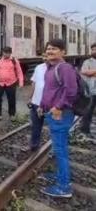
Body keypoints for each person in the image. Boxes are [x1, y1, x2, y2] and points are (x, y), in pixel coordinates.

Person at [40, 39, 77, 198]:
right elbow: (49, 90)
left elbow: (71, 91)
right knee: (57, 148)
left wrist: (58, 107)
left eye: (54, 49)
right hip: (53, 112)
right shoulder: (51, 68)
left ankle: (64, 187)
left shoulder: (65, 68)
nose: (49, 51)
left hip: (60, 114)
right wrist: (42, 105)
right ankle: (60, 175)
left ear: (63, 52)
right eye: (48, 49)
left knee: (60, 150)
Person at [0, 46, 24, 121]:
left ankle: (12, 114)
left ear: (10, 53)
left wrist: (21, 82)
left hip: (11, 83)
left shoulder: (14, 61)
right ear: (3, 52)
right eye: (4, 52)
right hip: (0, 82)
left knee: (11, 99)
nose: (6, 54)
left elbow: (19, 72)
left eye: (7, 53)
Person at [24, 52, 48, 152]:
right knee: (35, 125)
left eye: (47, 55)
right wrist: (30, 97)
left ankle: (54, 148)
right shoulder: (39, 67)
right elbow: (34, 83)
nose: (45, 58)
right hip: (36, 102)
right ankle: (34, 145)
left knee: (54, 128)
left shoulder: (57, 68)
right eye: (44, 55)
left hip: (49, 104)